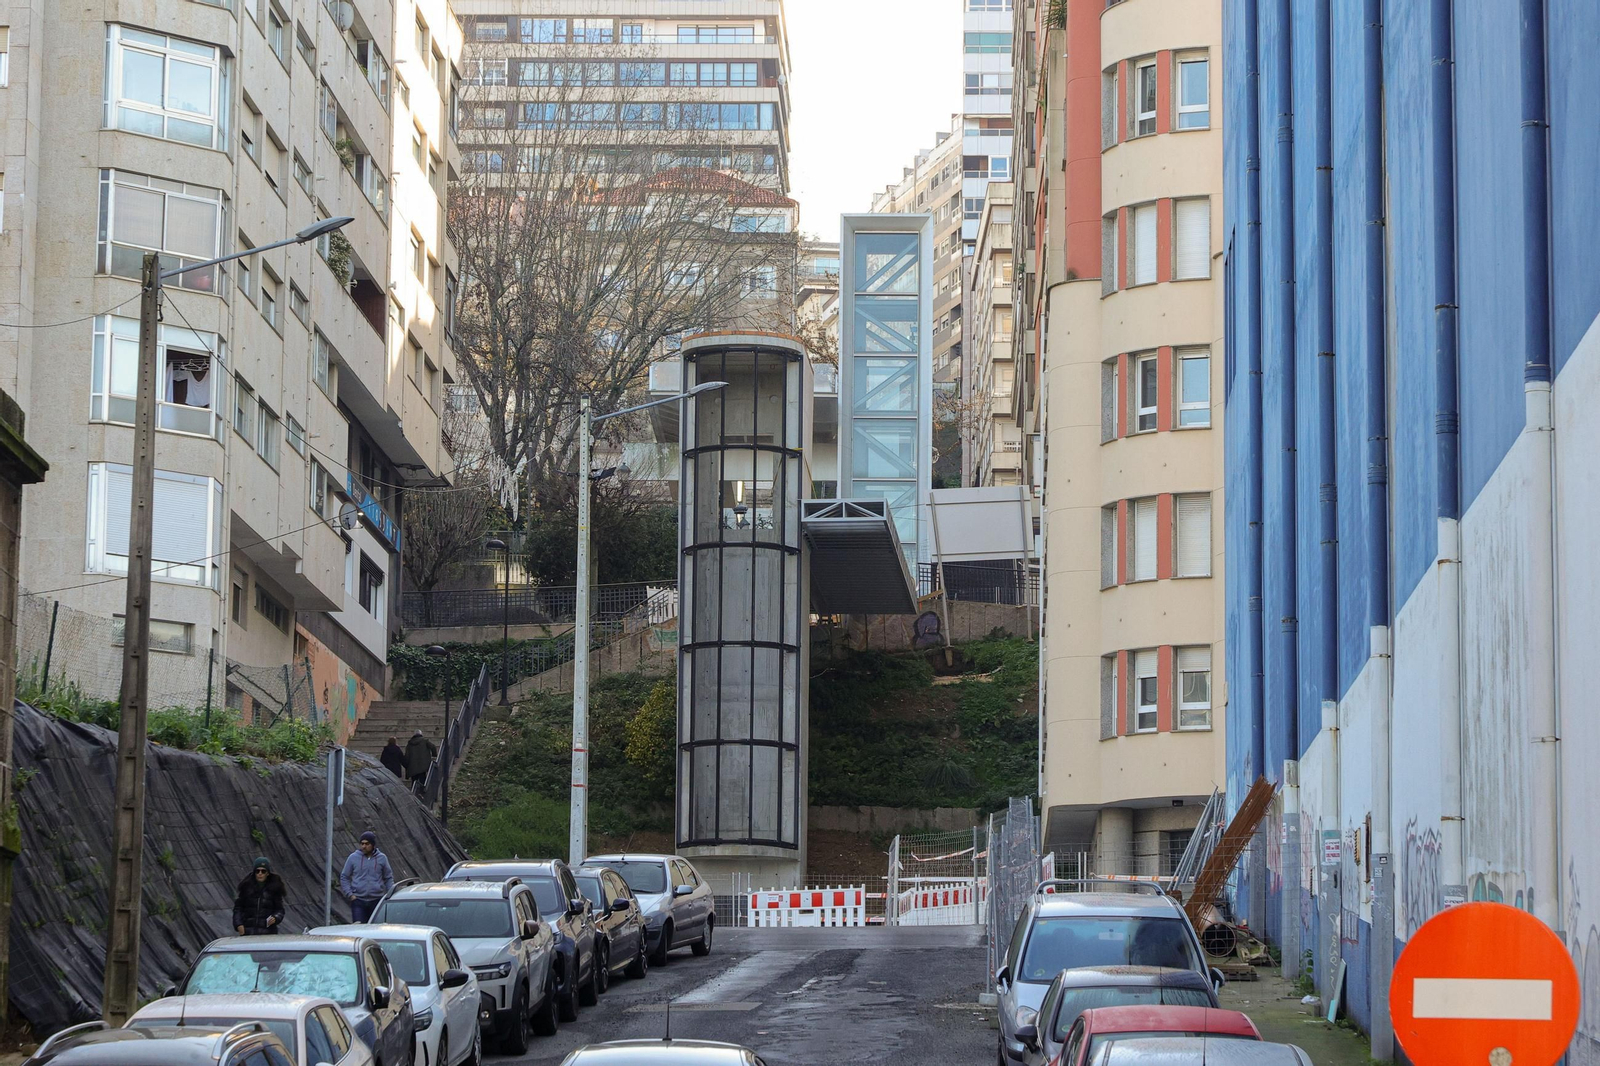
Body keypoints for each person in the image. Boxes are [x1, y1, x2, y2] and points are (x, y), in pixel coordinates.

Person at [340, 831, 394, 923]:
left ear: (373, 845)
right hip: (358, 901)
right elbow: (344, 876)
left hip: (377, 900)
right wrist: (350, 895)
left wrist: (389, 895)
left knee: (376, 928)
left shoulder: (382, 858)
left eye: (367, 844)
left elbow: (388, 877)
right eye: (362, 844)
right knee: (359, 928)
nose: (364, 846)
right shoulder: (353, 857)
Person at [232, 857, 286, 936]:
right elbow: (238, 909)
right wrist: (239, 925)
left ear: (267, 873)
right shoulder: (246, 887)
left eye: (263, 871)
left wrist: (275, 917)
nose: (260, 873)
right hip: (247, 933)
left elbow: (280, 910)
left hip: (267, 934)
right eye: (257, 871)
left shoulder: (274, 889)